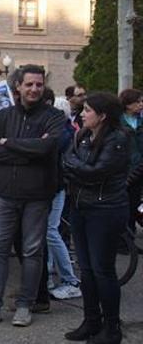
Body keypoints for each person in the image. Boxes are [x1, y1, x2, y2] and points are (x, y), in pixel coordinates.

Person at [0, 64, 65, 327]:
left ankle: (25, 305)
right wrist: (28, 150)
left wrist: (10, 144)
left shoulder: (54, 117)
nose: (34, 89)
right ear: (17, 87)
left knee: (32, 251)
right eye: (29, 84)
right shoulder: (2, 116)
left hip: (38, 197)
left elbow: (47, 147)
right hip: (6, 195)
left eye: (39, 84)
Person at [62, 92, 130, 344]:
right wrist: (78, 169)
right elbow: (66, 161)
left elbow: (96, 173)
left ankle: (112, 328)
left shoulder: (118, 139)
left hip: (106, 210)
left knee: (103, 270)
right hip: (81, 207)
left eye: (88, 110)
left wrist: (75, 168)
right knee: (87, 270)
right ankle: (91, 321)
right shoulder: (82, 135)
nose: (82, 114)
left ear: (102, 115)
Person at [45, 96, 82, 301]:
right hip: (53, 186)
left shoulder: (64, 133)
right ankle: (50, 275)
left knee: (51, 231)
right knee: (48, 232)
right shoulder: (65, 130)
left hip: (56, 186)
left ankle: (70, 280)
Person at [118, 88, 142, 235]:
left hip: (140, 167)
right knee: (124, 204)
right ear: (128, 104)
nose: (141, 104)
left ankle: (131, 236)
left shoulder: (140, 120)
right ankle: (124, 238)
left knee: (135, 204)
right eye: (138, 102)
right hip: (125, 169)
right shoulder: (119, 121)